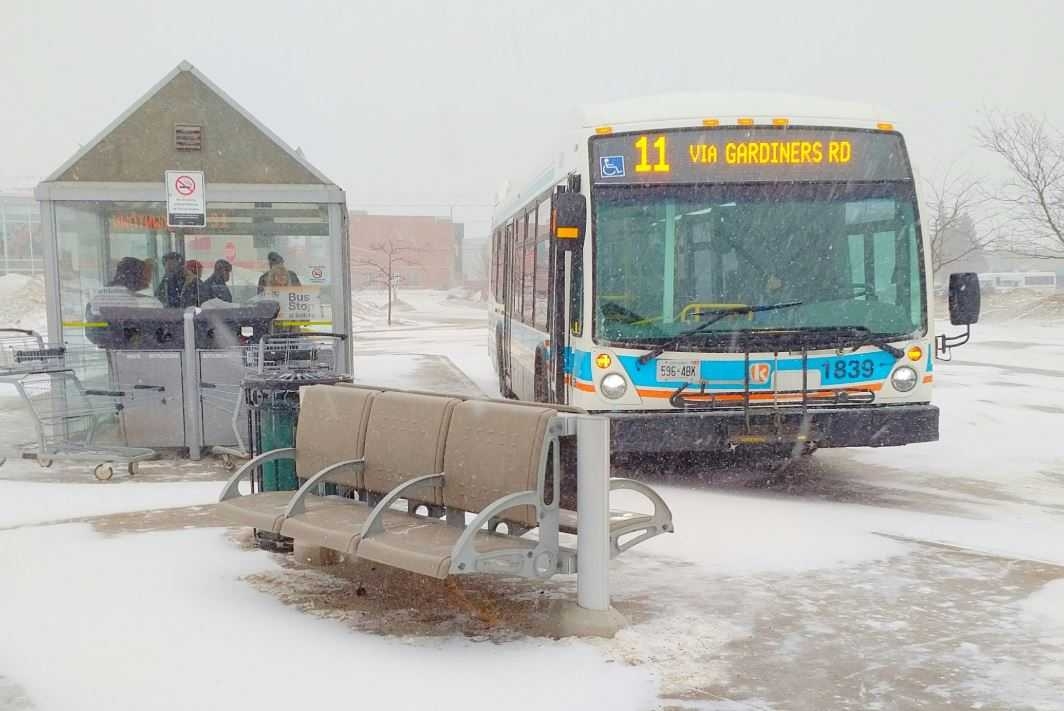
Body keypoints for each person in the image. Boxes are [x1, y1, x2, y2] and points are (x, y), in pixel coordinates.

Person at [88, 257, 163, 315]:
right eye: (145, 273)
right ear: (136, 276)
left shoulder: (97, 298)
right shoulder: (149, 303)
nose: (149, 279)